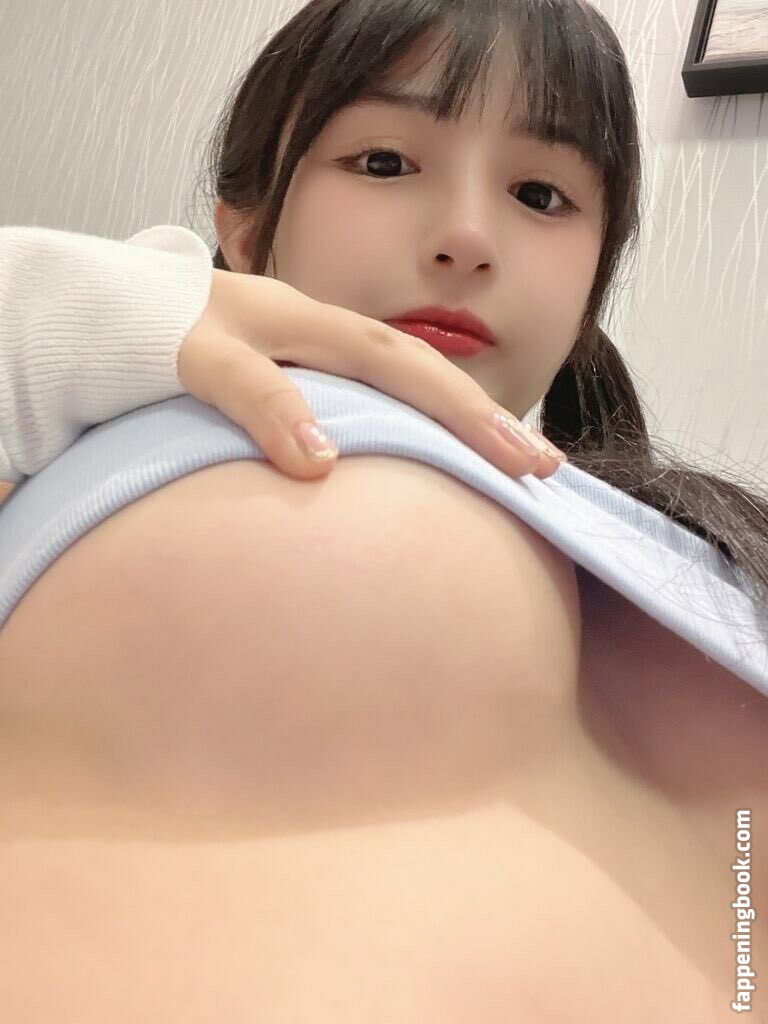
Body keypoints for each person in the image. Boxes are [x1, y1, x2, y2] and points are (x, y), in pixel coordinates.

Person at [0, 0, 766, 1019]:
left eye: (541, 193)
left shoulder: (688, 538)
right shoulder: (79, 393)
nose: (467, 238)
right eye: (384, 163)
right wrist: (49, 317)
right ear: (242, 225)